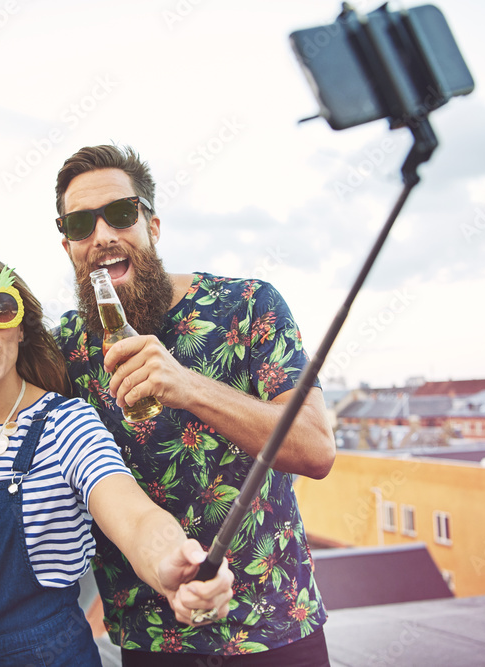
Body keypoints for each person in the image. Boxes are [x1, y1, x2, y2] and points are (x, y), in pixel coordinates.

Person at [52, 144, 337, 666]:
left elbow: (316, 448)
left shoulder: (249, 304)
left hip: (275, 628)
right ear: (66, 243)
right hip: (151, 641)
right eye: (80, 224)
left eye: (120, 214)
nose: (103, 236)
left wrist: (189, 387)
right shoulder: (66, 347)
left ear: (152, 225)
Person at [0, 255, 234, 667]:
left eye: (0, 308)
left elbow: (134, 516)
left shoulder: (66, 425)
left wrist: (173, 563)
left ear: (19, 328)